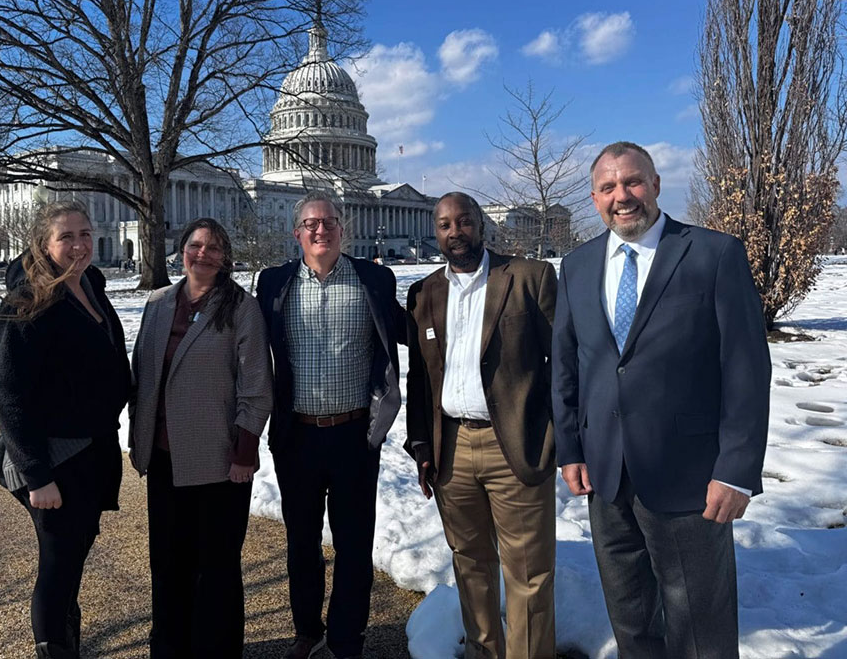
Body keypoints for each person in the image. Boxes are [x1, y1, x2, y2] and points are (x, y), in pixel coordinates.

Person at [552, 142, 770, 658]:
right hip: (606, 476)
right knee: (631, 621)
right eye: (608, 187)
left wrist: (736, 468)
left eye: (632, 182)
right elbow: (566, 366)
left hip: (690, 476)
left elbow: (745, 368)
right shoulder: (578, 265)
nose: (621, 196)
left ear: (655, 185)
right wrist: (570, 448)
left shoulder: (713, 254)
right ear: (594, 197)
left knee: (701, 629)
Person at [406, 192, 558, 659]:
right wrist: (420, 446)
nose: (456, 232)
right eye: (446, 224)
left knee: (528, 571)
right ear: (437, 232)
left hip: (513, 444)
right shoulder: (424, 291)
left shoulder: (529, 277)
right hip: (451, 447)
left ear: (481, 225)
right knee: (469, 565)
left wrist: (555, 434)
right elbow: (420, 377)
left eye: (464, 221)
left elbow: (567, 363)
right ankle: (482, 652)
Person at [256, 190, 405, 659]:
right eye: (311, 224)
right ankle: (307, 629)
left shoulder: (375, 279)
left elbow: (417, 329)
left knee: (354, 543)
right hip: (296, 434)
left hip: (354, 434)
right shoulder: (273, 283)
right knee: (301, 541)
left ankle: (347, 638)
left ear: (344, 228)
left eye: (329, 222)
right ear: (296, 232)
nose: (321, 230)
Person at [0, 199, 131, 659]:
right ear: (44, 244)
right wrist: (37, 475)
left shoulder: (91, 285)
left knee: (73, 557)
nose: (78, 245)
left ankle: (67, 643)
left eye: (85, 234)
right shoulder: (27, 301)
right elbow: (9, 396)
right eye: (66, 237)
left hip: (93, 448)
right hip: (53, 456)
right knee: (57, 564)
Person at [129, 217, 273, 658]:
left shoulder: (240, 307)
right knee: (168, 565)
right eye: (195, 245)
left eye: (213, 247)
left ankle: (216, 649)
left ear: (225, 256)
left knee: (216, 567)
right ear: (182, 250)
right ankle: (170, 648)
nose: (203, 254)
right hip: (165, 456)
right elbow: (142, 374)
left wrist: (244, 453)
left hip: (219, 460)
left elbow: (257, 388)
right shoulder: (158, 303)